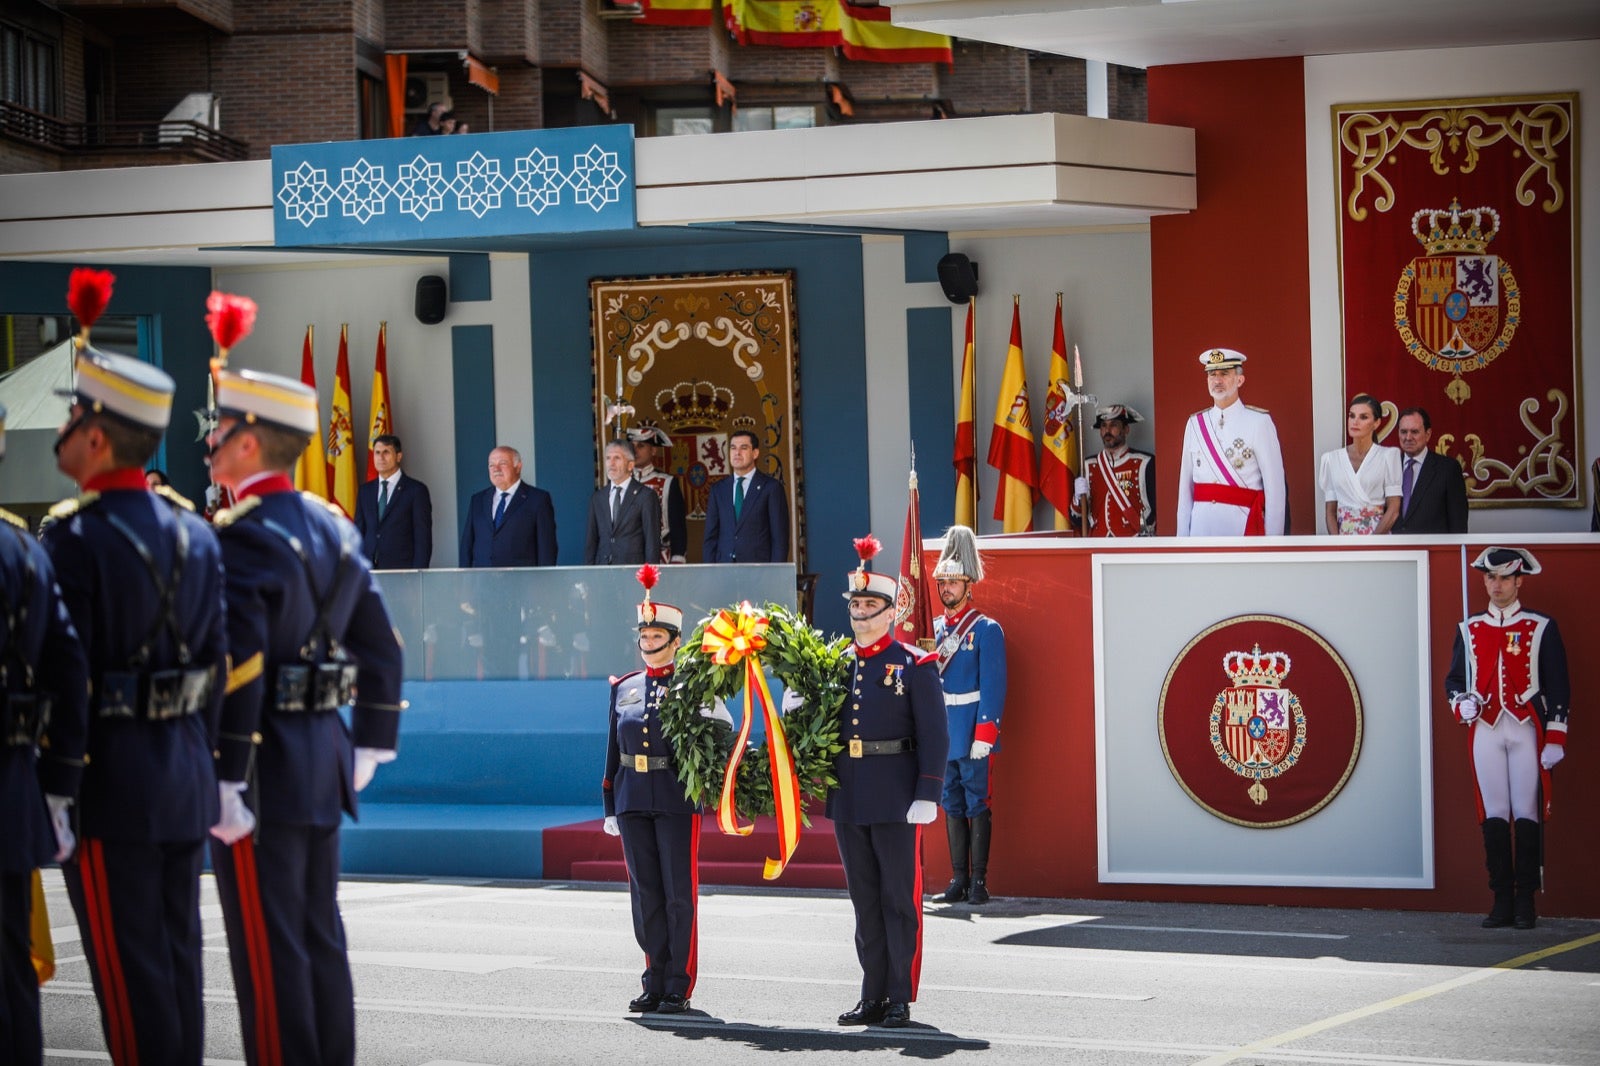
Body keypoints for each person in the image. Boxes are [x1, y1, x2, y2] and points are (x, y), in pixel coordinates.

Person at [205, 365, 404, 1065]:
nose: (210, 447)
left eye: (221, 433)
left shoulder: (241, 536)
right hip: (322, 754)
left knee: (269, 947)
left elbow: (240, 665)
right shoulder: (331, 526)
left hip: (260, 765)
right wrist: (369, 744)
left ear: (252, 443)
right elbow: (382, 647)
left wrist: (226, 774)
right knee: (319, 934)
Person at [44, 346, 228, 1065]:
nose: (62, 429)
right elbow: (215, 663)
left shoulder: (72, 538)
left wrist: (56, 787)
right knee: (177, 965)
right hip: (184, 771)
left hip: (106, 783)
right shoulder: (193, 530)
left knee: (128, 983)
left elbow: (66, 674)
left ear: (96, 435)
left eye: (71, 414)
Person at [828, 537, 947, 1029]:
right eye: (855, 605)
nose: (860, 613)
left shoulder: (914, 664)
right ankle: (871, 992)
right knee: (864, 900)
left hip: (897, 796)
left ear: (889, 611)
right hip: (850, 794)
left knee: (898, 898)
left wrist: (927, 792)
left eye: (869, 605)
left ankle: (899, 994)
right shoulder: (835, 664)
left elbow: (934, 733)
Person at [0, 403, 88, 1066]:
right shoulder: (23, 549)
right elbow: (67, 672)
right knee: (9, 979)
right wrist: (56, 789)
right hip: (9, 795)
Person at [599, 566, 729, 1015]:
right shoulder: (624, 687)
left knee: (678, 893)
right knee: (645, 893)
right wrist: (609, 804)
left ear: (675, 640)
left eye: (658, 636)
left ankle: (679, 982)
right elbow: (612, 750)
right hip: (633, 797)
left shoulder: (692, 685)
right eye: (644, 634)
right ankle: (653, 978)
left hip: (676, 797)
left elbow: (721, 734)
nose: (649, 642)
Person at [1445, 547, 1568, 931]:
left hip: (1527, 729)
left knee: (1527, 813)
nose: (1496, 585)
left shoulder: (1541, 626)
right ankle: (1501, 898)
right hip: (1486, 729)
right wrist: (1459, 703)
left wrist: (1555, 737)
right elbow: (1454, 681)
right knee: (1494, 813)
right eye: (1490, 578)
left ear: (1518, 581)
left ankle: (1526, 901)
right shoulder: (1469, 629)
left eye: (1503, 578)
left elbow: (1559, 685)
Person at [929, 526, 1007, 906]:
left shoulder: (986, 630)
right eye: (943, 582)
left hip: (973, 731)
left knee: (978, 803)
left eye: (954, 582)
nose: (947, 589)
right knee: (952, 803)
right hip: (945, 733)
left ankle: (979, 880)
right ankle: (958, 878)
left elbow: (994, 686)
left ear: (968, 584)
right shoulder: (933, 632)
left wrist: (985, 734)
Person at [1176, 348, 1285, 536]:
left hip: (1242, 528)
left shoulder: (1259, 422)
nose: (1217, 380)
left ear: (1239, 380)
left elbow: (1275, 489)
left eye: (1224, 374)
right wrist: (1182, 539)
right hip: (1201, 530)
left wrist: (1272, 543)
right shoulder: (1195, 424)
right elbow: (1185, 490)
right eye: (1212, 374)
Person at [459, 445, 557, 568]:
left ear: (518, 467)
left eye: (503, 463)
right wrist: (464, 580)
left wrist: (543, 582)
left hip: (521, 582)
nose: (496, 469)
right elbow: (467, 546)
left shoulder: (538, 499)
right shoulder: (477, 500)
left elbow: (546, 549)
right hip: (482, 581)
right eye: (491, 465)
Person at [1318, 393, 1401, 535]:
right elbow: (1330, 512)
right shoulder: (1331, 459)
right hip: (1344, 540)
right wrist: (1337, 545)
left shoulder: (1388, 456)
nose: (1355, 422)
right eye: (1352, 416)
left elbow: (1393, 509)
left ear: (1376, 423)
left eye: (1363, 417)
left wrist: (1372, 544)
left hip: (1378, 537)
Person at [703, 427, 789, 563]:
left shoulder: (771, 488)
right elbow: (710, 538)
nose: (737, 453)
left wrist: (774, 575)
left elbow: (780, 540)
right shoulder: (718, 489)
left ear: (755, 453)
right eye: (732, 448)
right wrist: (710, 573)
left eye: (743, 448)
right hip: (724, 571)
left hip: (759, 572)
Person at [1070, 403, 1156, 536]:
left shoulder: (1145, 462)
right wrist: (1077, 499)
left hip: (1133, 545)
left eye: (1114, 425)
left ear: (1126, 429)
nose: (1107, 430)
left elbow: (1156, 510)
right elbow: (1077, 519)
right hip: (1098, 545)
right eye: (1103, 426)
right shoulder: (1087, 466)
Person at [354, 433, 434, 569]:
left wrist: (418, 574)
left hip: (402, 572)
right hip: (369, 572)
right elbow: (358, 533)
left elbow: (423, 538)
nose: (381, 457)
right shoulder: (365, 491)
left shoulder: (416, 490)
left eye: (386, 452)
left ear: (398, 456)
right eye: (377, 453)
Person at [1391, 407, 1468, 534]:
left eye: (1414, 432)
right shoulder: (1389, 467)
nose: (1408, 437)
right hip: (1393, 550)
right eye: (1403, 431)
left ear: (1428, 434)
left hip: (1432, 551)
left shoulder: (1448, 469)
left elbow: (1458, 523)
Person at [585, 439, 661, 566]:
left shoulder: (646, 496)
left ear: (630, 465)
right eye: (608, 458)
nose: (611, 463)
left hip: (633, 572)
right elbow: (591, 541)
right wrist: (588, 575)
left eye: (617, 458)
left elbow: (652, 542)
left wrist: (649, 580)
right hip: (603, 572)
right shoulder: (597, 498)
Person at [628, 422, 686, 563]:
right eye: (632, 446)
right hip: (627, 557)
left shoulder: (668, 482)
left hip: (660, 558)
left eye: (641, 446)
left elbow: (678, 526)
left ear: (653, 450)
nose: (635, 451)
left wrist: (677, 558)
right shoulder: (621, 483)